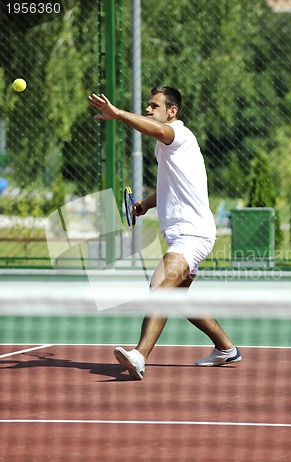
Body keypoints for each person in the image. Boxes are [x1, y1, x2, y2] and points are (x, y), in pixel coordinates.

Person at [88, 86, 241, 380]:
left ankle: (139, 355)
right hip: (185, 233)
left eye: (153, 105)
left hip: (192, 234)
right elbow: (172, 187)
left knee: (158, 287)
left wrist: (118, 114)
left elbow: (156, 130)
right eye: (147, 105)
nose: (148, 109)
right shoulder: (168, 148)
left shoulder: (178, 135)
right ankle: (226, 348)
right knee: (178, 298)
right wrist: (145, 204)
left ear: (172, 111)